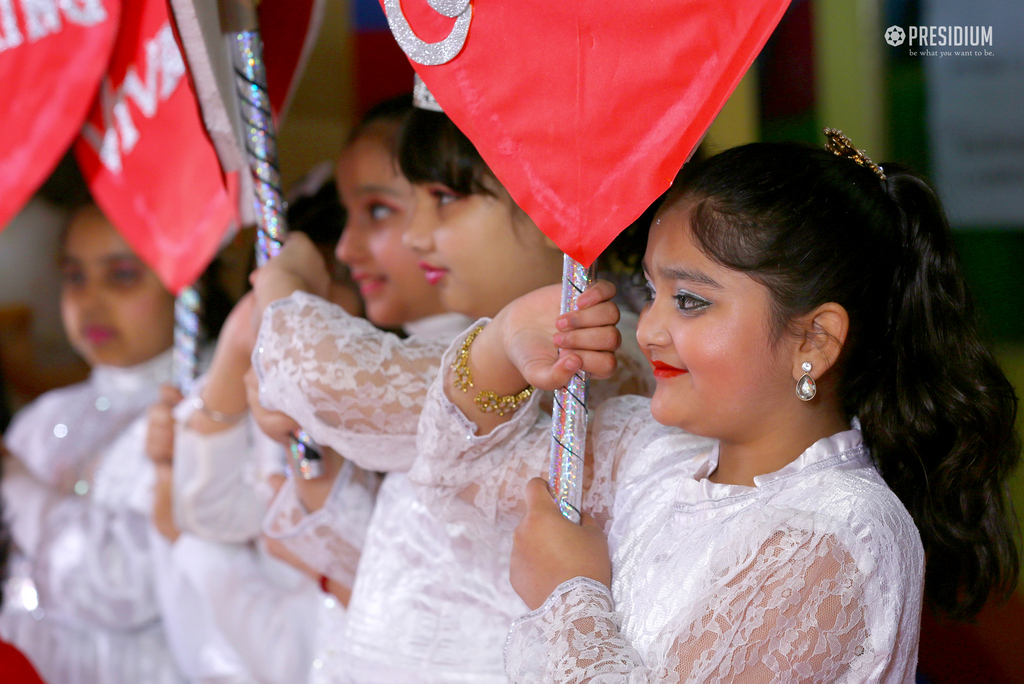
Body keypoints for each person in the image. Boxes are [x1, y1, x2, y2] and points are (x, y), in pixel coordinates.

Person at [421, 134, 1020, 682]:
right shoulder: (655, 456)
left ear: (813, 340)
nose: (649, 329)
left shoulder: (835, 533)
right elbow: (457, 480)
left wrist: (570, 596)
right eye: (653, 292)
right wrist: (505, 341)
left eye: (689, 300)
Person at [249, 90, 653, 681]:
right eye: (411, 204)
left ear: (551, 200)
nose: (417, 237)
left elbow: (330, 379)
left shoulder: (596, 351)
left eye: (443, 199)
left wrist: (285, 287)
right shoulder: (494, 342)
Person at [0, 203, 184, 683]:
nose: (91, 302)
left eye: (121, 276)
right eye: (75, 277)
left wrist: (12, 477)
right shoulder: (44, 417)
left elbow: (122, 585)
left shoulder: (199, 417)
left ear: (183, 280)